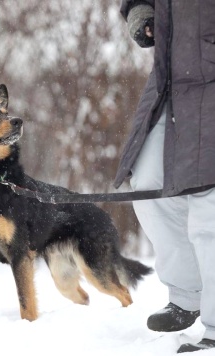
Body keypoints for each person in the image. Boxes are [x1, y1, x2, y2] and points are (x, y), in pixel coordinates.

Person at [114, 0, 215, 353]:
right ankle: (188, 294)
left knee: (209, 206)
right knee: (148, 184)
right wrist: (140, 10)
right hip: (171, 75)